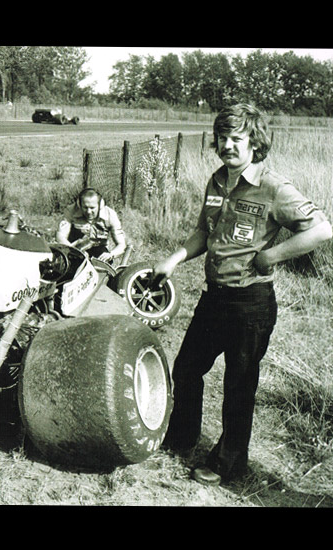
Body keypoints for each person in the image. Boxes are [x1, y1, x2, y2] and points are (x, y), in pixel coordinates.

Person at [153, 103, 332, 486]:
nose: (228, 145)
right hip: (214, 297)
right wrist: (174, 259)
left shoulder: (274, 187)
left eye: (237, 138)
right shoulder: (217, 180)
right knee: (186, 369)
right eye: (223, 138)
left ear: (255, 142)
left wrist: (272, 255)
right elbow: (204, 231)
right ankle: (182, 438)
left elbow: (322, 230)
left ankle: (228, 462)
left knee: (239, 384)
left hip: (251, 303)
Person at [56, 188, 126, 262]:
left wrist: (111, 254)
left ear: (99, 206)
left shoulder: (110, 215)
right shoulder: (71, 211)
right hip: (74, 249)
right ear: (80, 205)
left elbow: (121, 244)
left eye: (92, 208)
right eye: (85, 207)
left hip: (98, 251)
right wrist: (73, 251)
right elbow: (60, 236)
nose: (89, 212)